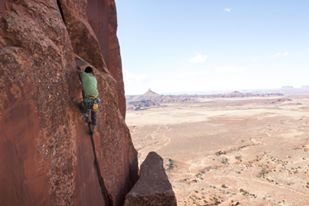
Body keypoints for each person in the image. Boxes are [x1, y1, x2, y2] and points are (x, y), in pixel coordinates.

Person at [79, 66, 100, 130]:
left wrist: (79, 69)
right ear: (91, 72)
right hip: (97, 100)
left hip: (89, 101)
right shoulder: (94, 78)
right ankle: (93, 124)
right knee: (94, 112)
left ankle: (86, 116)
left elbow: (80, 73)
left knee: (82, 106)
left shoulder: (84, 75)